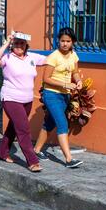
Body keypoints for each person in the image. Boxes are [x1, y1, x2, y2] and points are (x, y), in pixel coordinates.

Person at [0, 32, 46, 172]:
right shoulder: (7, 58)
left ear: (26, 45)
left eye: (22, 43)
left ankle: (3, 152)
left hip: (27, 100)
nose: (19, 46)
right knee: (23, 129)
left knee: (14, 127)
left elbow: (50, 60)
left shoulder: (32, 57)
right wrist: (6, 43)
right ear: (12, 45)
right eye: (16, 43)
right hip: (10, 98)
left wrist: (67, 54)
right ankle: (32, 161)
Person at [33, 27, 83, 168]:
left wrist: (78, 81)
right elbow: (46, 79)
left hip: (64, 96)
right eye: (62, 41)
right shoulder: (53, 57)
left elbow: (75, 72)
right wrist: (65, 84)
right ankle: (68, 160)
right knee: (62, 124)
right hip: (51, 95)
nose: (65, 44)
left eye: (68, 41)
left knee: (50, 123)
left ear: (72, 42)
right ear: (58, 41)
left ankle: (36, 150)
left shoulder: (74, 55)